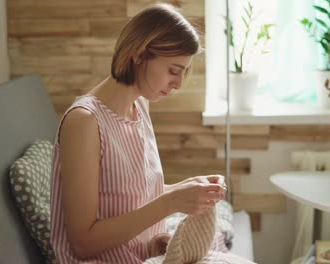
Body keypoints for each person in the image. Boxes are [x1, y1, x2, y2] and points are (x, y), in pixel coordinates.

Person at [50, 4, 227, 264]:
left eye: (183, 73)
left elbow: (126, 196)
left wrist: (189, 190)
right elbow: (82, 243)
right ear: (139, 54)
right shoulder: (84, 122)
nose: (178, 83)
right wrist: (170, 203)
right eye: (174, 71)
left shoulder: (139, 106)